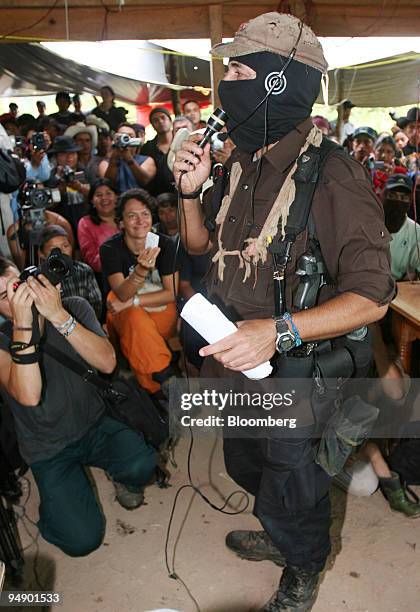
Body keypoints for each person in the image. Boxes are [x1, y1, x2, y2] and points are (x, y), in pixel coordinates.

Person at [174, 12, 394, 611]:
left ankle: (303, 566)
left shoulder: (335, 176)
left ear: (276, 82)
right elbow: (199, 248)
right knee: (248, 465)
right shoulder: (240, 164)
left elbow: (374, 296)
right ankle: (281, 535)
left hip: (295, 374)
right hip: (232, 365)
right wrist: (191, 192)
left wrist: (279, 331)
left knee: (295, 487)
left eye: (240, 70)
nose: (227, 85)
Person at [0, 255, 156, 556]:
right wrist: (23, 325)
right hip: (48, 449)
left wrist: (59, 316)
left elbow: (108, 363)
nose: (17, 298)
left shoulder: (74, 307)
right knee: (81, 541)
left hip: (94, 423)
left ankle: (120, 477)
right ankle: (55, 508)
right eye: (4, 297)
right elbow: (29, 395)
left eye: (17, 287)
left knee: (142, 462)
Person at [100, 188, 178, 395]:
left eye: (145, 214)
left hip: (161, 313)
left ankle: (155, 387)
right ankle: (163, 377)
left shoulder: (166, 244)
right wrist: (142, 270)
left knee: (132, 325)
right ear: (121, 222)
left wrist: (132, 302)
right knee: (127, 313)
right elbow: (122, 294)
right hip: (127, 314)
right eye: (132, 216)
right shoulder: (110, 248)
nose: (140, 220)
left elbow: (171, 293)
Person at [38, 225, 103, 319]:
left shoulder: (84, 271)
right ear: (41, 254)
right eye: (53, 249)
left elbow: (97, 304)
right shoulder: (39, 278)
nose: (62, 252)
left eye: (65, 246)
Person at [77, 179, 120, 273]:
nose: (104, 198)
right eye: (98, 195)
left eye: (108, 193)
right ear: (92, 201)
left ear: (116, 197)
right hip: (104, 275)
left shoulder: (125, 217)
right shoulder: (85, 223)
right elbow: (92, 261)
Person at [99, 123, 156, 192]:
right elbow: (107, 184)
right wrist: (114, 158)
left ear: (135, 140)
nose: (125, 139)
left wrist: (129, 159)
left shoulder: (147, 160)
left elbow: (144, 180)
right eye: (122, 136)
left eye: (130, 136)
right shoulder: (105, 163)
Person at [141, 108, 175, 196]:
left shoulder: (182, 142)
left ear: (170, 121)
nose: (160, 121)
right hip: (157, 196)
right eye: (155, 120)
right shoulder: (147, 148)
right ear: (152, 125)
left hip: (181, 194)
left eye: (163, 117)